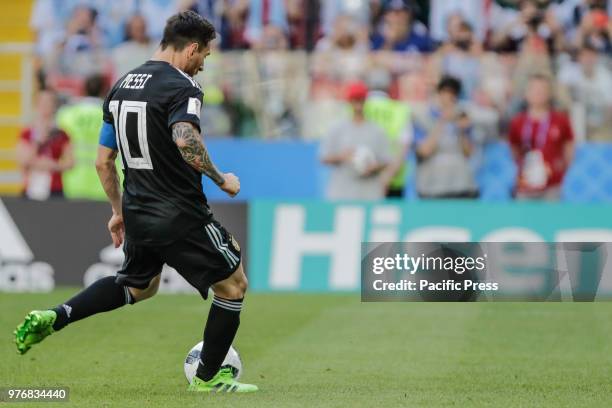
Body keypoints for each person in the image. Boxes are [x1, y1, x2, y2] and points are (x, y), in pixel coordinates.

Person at [14, 11, 258, 393]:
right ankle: (210, 377)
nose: (202, 66)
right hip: (179, 211)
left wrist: (117, 211)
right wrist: (220, 178)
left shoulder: (122, 85)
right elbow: (184, 138)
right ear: (190, 49)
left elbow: (102, 160)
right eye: (204, 57)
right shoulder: (183, 88)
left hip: (139, 210)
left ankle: (56, 316)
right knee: (233, 285)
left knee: (140, 286)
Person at [320, 81, 391, 200]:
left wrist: (373, 167)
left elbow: (386, 160)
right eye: (355, 99)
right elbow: (323, 157)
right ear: (349, 101)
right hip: (342, 193)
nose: (358, 103)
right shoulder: (337, 128)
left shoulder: (377, 130)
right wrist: (342, 156)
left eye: (361, 99)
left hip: (369, 193)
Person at [508, 74, 574, 200]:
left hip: (552, 184)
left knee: (552, 218)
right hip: (525, 183)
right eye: (534, 89)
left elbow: (569, 147)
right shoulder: (518, 122)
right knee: (524, 218)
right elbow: (514, 148)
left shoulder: (561, 120)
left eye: (542, 90)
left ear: (549, 93)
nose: (538, 93)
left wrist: (561, 168)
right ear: (526, 93)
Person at [413, 76, 478, 199]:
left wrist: (462, 130)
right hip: (432, 187)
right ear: (439, 93)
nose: (449, 98)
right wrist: (443, 121)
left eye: (454, 93)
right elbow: (423, 151)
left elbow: (469, 153)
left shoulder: (462, 118)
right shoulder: (423, 118)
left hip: (460, 185)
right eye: (446, 92)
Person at [57, 74, 109, 200]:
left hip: (73, 182)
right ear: (105, 91)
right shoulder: (111, 114)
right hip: (105, 184)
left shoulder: (66, 114)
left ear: (84, 89)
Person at [16, 89, 74, 200]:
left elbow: (70, 163)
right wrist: (38, 141)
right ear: (37, 105)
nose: (46, 107)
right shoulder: (27, 133)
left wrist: (53, 165)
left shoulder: (62, 134)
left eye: (49, 103)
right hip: (31, 188)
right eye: (42, 103)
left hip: (55, 189)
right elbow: (23, 161)